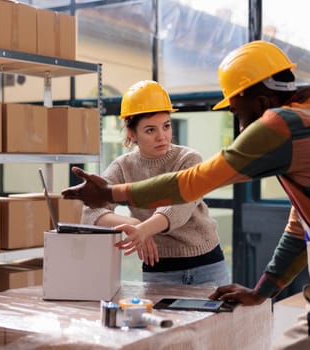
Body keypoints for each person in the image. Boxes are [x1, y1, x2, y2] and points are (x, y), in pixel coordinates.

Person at [62, 40, 310, 349]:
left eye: (234, 108)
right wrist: (261, 292)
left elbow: (196, 182)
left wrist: (110, 192)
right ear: (131, 133)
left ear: (257, 101)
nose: (237, 120)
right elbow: (300, 229)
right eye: (150, 129)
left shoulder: (281, 125)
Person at [81, 80, 229, 287]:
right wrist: (136, 226)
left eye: (166, 126)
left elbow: (178, 208)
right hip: (158, 268)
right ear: (132, 134)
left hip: (207, 264)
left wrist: (145, 230)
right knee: (162, 320)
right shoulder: (123, 166)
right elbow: (90, 213)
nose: (162, 137)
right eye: (150, 130)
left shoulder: (189, 159)